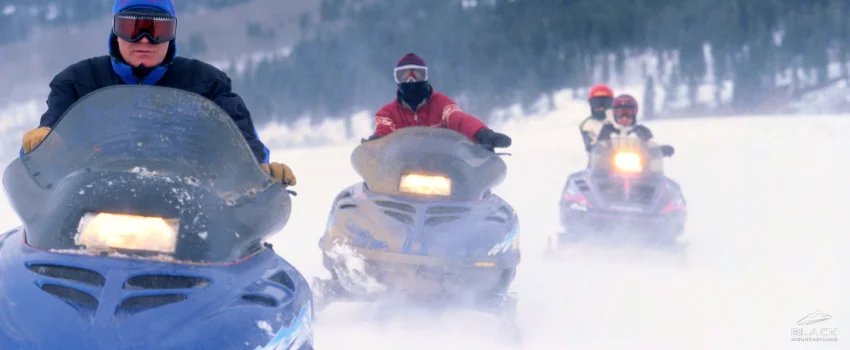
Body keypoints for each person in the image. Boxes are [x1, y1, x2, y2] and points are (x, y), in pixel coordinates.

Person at [20, 0, 296, 185]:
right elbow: (50, 132)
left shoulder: (206, 85)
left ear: (172, 35)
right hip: (90, 200)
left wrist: (258, 170)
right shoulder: (78, 82)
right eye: (132, 28)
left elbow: (241, 137)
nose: (144, 40)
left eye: (157, 30)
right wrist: (41, 144)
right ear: (116, 33)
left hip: (189, 201)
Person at [365, 53, 512, 149]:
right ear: (397, 79)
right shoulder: (387, 112)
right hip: (401, 171)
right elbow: (384, 130)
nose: (411, 80)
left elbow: (459, 119)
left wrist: (482, 134)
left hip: (443, 167)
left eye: (417, 75)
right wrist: (376, 142)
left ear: (426, 76)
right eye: (404, 76)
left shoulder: (441, 104)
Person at [598, 94, 674, 156]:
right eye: (620, 114)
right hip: (610, 169)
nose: (624, 118)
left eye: (628, 113)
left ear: (634, 114)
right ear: (614, 114)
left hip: (640, 169)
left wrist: (659, 150)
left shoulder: (642, 130)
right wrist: (598, 150)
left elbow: (651, 144)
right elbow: (599, 146)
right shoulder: (607, 130)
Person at [579, 84, 615, 151]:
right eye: (597, 104)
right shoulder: (586, 125)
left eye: (605, 104)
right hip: (600, 159)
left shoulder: (618, 120)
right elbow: (590, 148)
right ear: (591, 104)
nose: (601, 108)